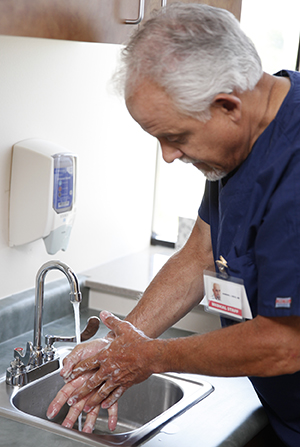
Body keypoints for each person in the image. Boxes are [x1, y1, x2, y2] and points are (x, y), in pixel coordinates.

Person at [47, 4, 300, 445]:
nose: (168, 155)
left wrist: (153, 356)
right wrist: (122, 344)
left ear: (227, 106)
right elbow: (200, 253)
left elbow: (285, 342)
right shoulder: (243, 141)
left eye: (176, 137)